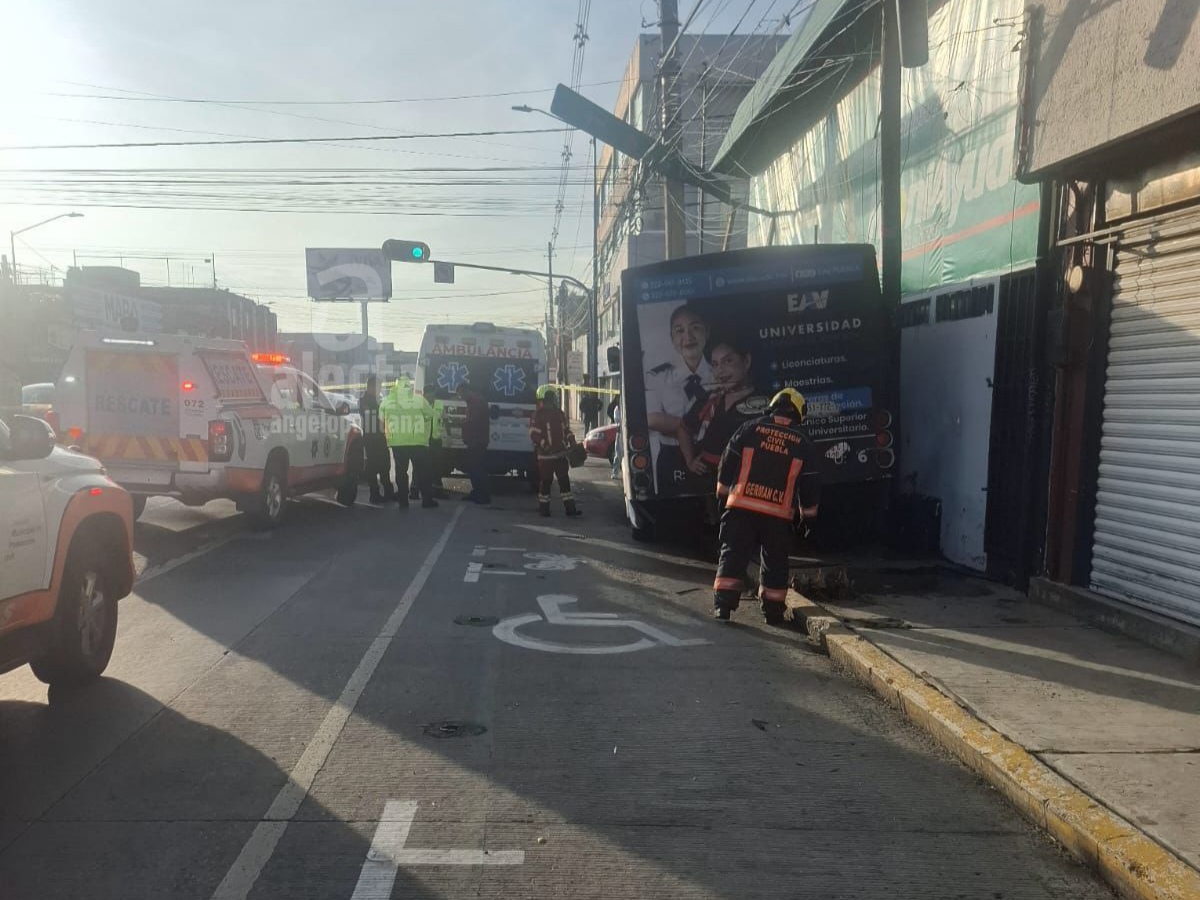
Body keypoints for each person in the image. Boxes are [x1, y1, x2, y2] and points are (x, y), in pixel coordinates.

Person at [712, 388, 820, 625]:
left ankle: (723, 607)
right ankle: (772, 612)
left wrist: (721, 494)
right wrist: (808, 517)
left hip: (741, 508)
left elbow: (727, 460)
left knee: (733, 555)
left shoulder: (749, 428)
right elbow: (809, 483)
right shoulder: (803, 443)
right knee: (775, 562)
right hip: (777, 517)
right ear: (798, 414)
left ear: (772, 407)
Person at [676, 334, 767, 491]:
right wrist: (690, 461)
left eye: (727, 361)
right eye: (715, 364)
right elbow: (683, 428)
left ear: (746, 362)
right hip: (708, 485)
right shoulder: (709, 399)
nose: (720, 371)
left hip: (747, 487)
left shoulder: (765, 402)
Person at [645, 303, 712, 493]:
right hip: (671, 458)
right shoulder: (657, 377)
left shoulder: (720, 376)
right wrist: (688, 427)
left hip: (711, 456)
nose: (688, 337)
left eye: (695, 328)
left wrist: (675, 425)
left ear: (707, 331)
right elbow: (651, 418)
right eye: (679, 331)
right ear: (672, 338)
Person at [379, 377, 438, 509]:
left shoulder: (387, 401)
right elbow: (430, 415)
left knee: (401, 473)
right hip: (418, 443)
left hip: (398, 443)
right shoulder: (418, 400)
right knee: (423, 472)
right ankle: (427, 501)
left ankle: (403, 501)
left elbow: (381, 422)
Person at [529, 384, 581, 518]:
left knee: (564, 481)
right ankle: (544, 509)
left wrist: (572, 440)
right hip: (545, 457)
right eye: (552, 399)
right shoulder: (538, 415)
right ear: (547, 399)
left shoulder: (560, 414)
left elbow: (566, 430)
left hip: (560, 455)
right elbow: (534, 434)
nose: (554, 401)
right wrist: (545, 446)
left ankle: (570, 509)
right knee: (546, 482)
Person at [357, 374, 393, 504]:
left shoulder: (377, 399)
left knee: (385, 465)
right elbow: (374, 417)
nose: (380, 389)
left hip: (379, 437)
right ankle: (375, 494)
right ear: (371, 386)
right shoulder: (366, 400)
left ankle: (388, 491)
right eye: (378, 387)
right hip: (372, 438)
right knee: (373, 466)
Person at [459, 382, 491, 504]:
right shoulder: (474, 401)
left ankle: (482, 495)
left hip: (477, 441)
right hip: (475, 440)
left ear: (465, 391)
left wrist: (462, 423)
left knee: (477, 469)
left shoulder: (476, 402)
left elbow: (473, 421)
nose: (461, 398)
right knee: (474, 468)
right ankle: (477, 492)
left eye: (461, 395)